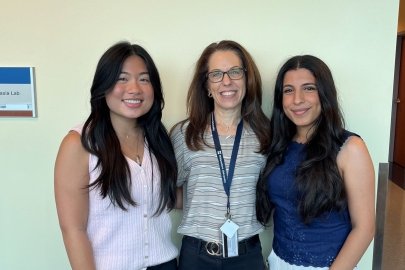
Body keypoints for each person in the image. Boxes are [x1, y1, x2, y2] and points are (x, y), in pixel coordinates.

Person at [54, 41, 178, 270]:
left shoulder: (158, 139)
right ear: (104, 85)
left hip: (166, 264)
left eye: (144, 79)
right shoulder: (79, 144)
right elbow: (73, 229)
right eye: (122, 78)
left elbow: (169, 198)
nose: (134, 89)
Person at [256, 55, 375, 270]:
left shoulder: (350, 147)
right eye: (288, 90)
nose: (297, 99)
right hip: (278, 262)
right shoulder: (278, 145)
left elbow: (364, 227)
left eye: (309, 88)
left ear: (324, 93)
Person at [170, 40, 270, 270]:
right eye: (216, 74)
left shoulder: (265, 135)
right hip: (197, 257)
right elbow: (167, 191)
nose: (227, 81)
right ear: (206, 86)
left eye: (235, 72)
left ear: (247, 78)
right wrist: (203, 200)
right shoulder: (185, 135)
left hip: (247, 256)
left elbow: (270, 192)